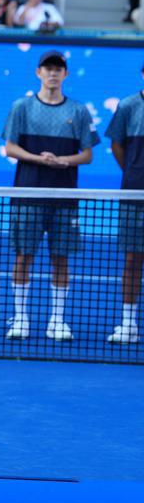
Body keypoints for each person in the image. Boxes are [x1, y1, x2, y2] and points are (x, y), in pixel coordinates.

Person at [3, 50, 97, 341]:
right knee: (24, 256)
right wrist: (38, 158)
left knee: (61, 259)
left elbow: (87, 154)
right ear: (38, 73)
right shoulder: (22, 107)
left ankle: (57, 320)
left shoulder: (78, 111)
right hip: (28, 194)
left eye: (58, 69)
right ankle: (21, 318)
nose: (53, 73)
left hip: (64, 196)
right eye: (48, 68)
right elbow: (10, 148)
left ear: (65, 74)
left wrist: (63, 161)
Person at [105, 63, 144, 344]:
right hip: (134, 194)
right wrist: (132, 171)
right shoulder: (129, 106)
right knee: (132, 260)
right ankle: (128, 323)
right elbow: (117, 145)